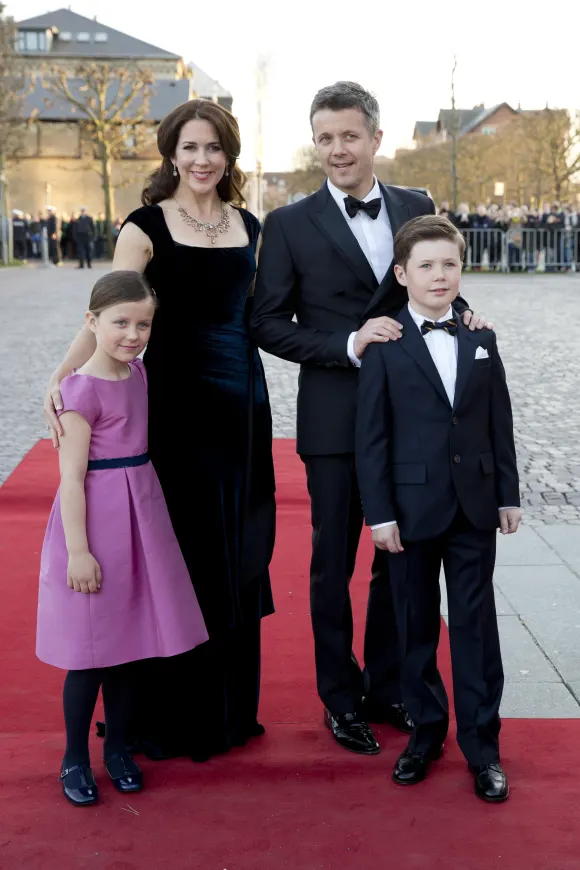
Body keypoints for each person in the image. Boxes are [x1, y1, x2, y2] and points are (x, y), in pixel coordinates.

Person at [251, 81, 489, 755]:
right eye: (324, 137)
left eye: (348, 136)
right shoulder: (290, 224)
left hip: (413, 417)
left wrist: (466, 319)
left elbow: (437, 282)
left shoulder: (416, 205)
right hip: (333, 419)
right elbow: (265, 321)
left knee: (400, 560)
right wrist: (346, 345)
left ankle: (391, 687)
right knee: (333, 561)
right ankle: (339, 696)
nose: (336, 150)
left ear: (376, 138)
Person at [44, 99, 275, 761]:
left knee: (232, 548)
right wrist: (64, 378)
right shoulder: (143, 226)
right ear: (171, 152)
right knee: (175, 553)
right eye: (191, 147)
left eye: (215, 149)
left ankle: (224, 713)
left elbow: (260, 315)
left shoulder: (249, 226)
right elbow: (106, 312)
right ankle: (157, 718)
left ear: (229, 156)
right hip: (170, 407)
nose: (203, 160)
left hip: (239, 409)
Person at [355, 215, 521, 802]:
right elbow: (371, 437)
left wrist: (507, 493)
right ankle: (424, 736)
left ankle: (484, 747)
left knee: (477, 629)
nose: (439, 275)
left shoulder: (481, 338)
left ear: (462, 267)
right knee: (415, 627)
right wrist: (380, 514)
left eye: (449, 263)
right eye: (425, 265)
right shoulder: (385, 343)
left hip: (476, 508)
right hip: (410, 510)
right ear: (402, 275)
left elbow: (497, 419)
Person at [37, 271, 208, 807]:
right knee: (90, 653)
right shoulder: (79, 390)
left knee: (131, 648)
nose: (132, 334)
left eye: (143, 324)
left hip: (142, 516)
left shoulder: (137, 373)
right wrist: (80, 551)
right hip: (96, 522)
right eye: (119, 324)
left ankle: (118, 751)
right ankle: (73, 757)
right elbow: (71, 479)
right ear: (92, 323)